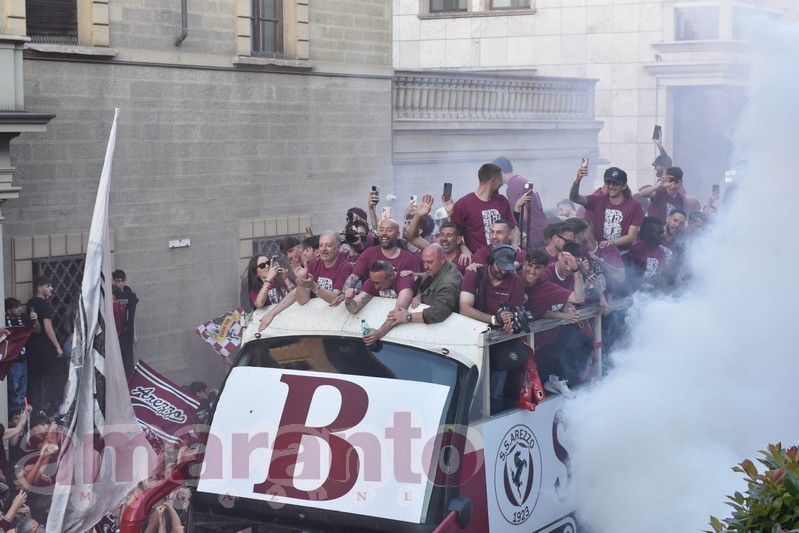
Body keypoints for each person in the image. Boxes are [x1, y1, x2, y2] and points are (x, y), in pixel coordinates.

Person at [459, 245, 524, 413]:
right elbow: (464, 308)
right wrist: (494, 319)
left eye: (507, 267)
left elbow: (516, 312)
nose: (503, 271)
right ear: (490, 261)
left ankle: (496, 421)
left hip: (500, 344)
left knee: (496, 393)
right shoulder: (474, 274)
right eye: (500, 266)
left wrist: (510, 322)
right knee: (470, 390)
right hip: (472, 342)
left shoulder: (515, 281)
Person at [521, 249, 589, 399]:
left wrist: (576, 270)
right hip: (510, 342)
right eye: (530, 265)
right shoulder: (514, 277)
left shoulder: (544, 286)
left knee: (581, 341)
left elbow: (578, 298)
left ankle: (562, 381)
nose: (532, 271)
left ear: (543, 269)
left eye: (537, 268)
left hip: (535, 344)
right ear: (524, 264)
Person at [570, 166, 644, 252]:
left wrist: (611, 242)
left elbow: (631, 236)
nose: (611, 186)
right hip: (599, 252)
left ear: (624, 186)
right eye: (609, 183)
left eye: (615, 183)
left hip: (623, 253)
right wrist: (577, 180)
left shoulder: (634, 205)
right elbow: (574, 198)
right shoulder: (597, 200)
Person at [342, 260, 416, 345]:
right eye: (374, 283)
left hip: (405, 337)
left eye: (379, 283)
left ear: (391, 275)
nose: (376, 287)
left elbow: (398, 313)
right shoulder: (373, 282)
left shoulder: (405, 282)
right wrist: (348, 300)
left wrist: (379, 333)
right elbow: (354, 308)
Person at [450, 163, 517, 254]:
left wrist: (514, 246)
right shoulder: (462, 205)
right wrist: (464, 250)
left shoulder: (502, 201)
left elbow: (514, 228)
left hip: (502, 256)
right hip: (477, 258)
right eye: (500, 180)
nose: (502, 184)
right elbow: (454, 234)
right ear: (492, 182)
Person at [389, 243, 462, 326]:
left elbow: (437, 312)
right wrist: (416, 274)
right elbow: (429, 274)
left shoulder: (449, 284)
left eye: (429, 262)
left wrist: (408, 316)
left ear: (442, 259)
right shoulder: (440, 266)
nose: (426, 266)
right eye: (424, 262)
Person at [26, 276, 64, 413]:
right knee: (58, 374)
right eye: (48, 286)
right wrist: (57, 347)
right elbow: (48, 328)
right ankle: (51, 405)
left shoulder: (31, 303)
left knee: (36, 378)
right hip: (45, 346)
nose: (51, 289)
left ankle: (35, 407)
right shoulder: (44, 305)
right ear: (40, 288)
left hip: (33, 346)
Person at [493, 156, 548, 247]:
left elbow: (524, 215)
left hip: (533, 233)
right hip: (542, 230)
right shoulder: (521, 181)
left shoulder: (512, 187)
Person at [295, 231, 354, 305]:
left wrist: (313, 286)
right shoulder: (313, 265)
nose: (323, 249)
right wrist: (301, 278)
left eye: (328, 245)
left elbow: (335, 299)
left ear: (338, 248)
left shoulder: (345, 267)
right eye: (321, 245)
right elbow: (302, 301)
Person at [5, 299, 39, 415]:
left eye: (19, 306)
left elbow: (37, 330)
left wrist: (35, 320)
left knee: (22, 387)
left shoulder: (23, 318)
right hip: (12, 360)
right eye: (16, 307)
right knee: (13, 388)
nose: (20, 309)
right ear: (8, 310)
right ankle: (15, 414)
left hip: (23, 358)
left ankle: (21, 412)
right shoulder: (4, 320)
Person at [626, 216, 675, 292]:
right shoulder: (636, 249)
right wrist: (648, 280)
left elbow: (665, 276)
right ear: (648, 233)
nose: (662, 236)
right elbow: (628, 277)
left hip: (655, 294)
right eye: (658, 233)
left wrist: (663, 281)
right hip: (636, 293)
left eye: (662, 232)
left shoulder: (661, 252)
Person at [112, 270, 139, 379]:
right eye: (118, 281)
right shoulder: (112, 295)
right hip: (115, 334)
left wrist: (134, 333)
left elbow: (132, 315)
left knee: (128, 363)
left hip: (126, 333)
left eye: (122, 281)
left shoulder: (129, 294)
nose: (120, 284)